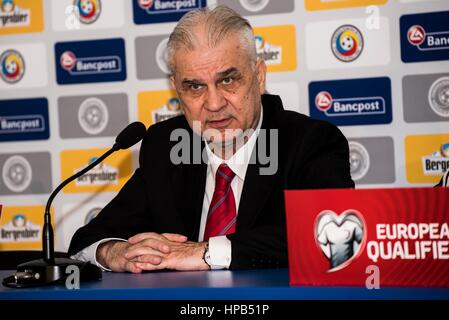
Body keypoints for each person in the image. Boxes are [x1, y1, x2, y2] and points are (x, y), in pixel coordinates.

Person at [68, 5, 354, 273]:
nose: (214, 104)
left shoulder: (310, 142)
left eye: (228, 80)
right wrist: (113, 252)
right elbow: (87, 240)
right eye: (194, 86)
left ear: (259, 76)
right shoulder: (165, 146)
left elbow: (331, 238)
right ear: (176, 90)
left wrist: (204, 252)